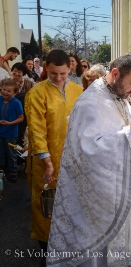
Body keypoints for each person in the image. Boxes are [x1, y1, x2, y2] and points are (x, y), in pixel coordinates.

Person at [47, 54, 131, 267]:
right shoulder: (91, 101)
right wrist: (128, 133)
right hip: (92, 197)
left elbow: (128, 129)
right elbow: (88, 149)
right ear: (115, 74)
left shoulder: (118, 96)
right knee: (94, 256)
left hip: (113, 187)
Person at [24, 49, 82, 267]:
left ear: (71, 69)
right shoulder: (37, 93)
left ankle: (68, 251)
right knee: (46, 208)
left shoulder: (78, 91)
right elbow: (36, 131)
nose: (58, 78)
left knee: (71, 205)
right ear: (46, 68)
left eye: (63, 73)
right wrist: (46, 161)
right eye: (53, 73)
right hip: (44, 162)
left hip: (72, 160)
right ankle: (46, 255)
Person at [0, 79, 23, 183]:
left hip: (10, 133)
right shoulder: (0, 99)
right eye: (4, 89)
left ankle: (13, 174)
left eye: (9, 91)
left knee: (11, 154)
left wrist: (10, 123)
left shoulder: (16, 103)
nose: (5, 92)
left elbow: (21, 118)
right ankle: (2, 172)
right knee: (1, 153)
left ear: (14, 92)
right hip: (1, 132)